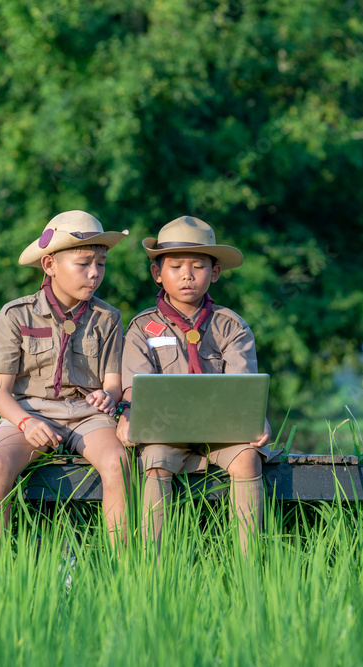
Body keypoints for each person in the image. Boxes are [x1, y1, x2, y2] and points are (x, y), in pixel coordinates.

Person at [116, 215, 273, 553]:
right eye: (175, 266)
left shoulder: (231, 326)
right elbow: (132, 389)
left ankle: (251, 565)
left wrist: (255, 419)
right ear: (158, 274)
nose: (187, 274)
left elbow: (242, 386)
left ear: (214, 273)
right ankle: (153, 568)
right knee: (155, 461)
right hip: (166, 431)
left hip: (222, 432)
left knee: (248, 458)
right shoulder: (142, 327)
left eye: (198, 266)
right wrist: (128, 414)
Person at [0, 210, 131, 551]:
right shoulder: (15, 315)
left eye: (101, 264)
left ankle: (125, 569)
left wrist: (107, 397)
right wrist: (25, 422)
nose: (95, 274)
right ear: (49, 264)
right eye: (83, 264)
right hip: (29, 411)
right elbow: (0, 394)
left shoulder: (107, 318)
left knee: (119, 463)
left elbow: (112, 382)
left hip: (87, 416)